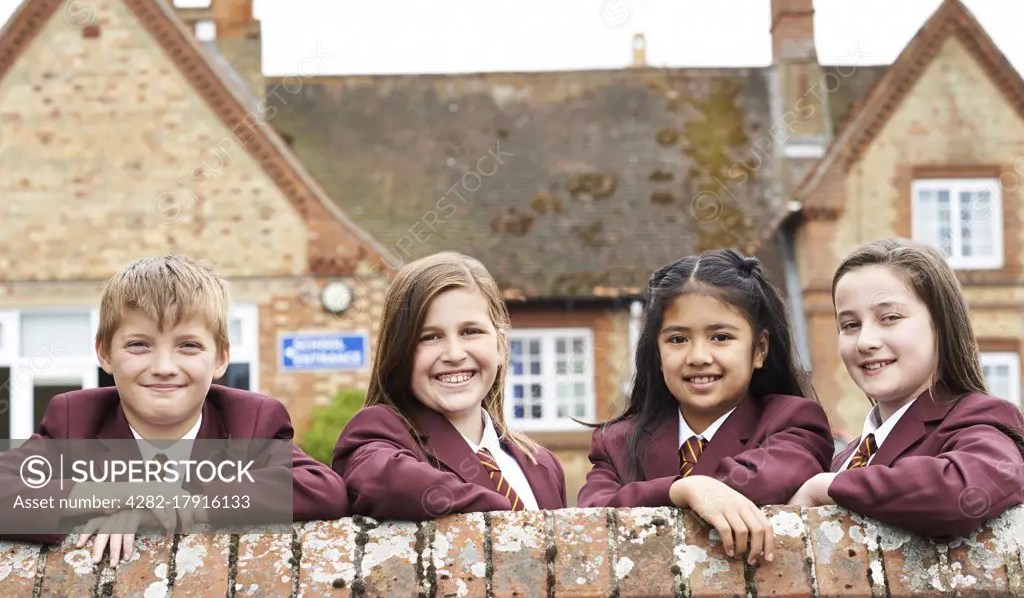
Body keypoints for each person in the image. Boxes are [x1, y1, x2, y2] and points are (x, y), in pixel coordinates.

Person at [0, 255, 349, 564]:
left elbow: (322, 489)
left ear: (222, 357)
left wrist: (182, 504)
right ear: (104, 353)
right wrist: (122, 493)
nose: (164, 366)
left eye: (189, 346)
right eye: (139, 345)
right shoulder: (75, 420)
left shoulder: (251, 420)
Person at [577, 249, 834, 564]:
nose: (698, 356)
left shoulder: (792, 421)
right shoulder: (616, 441)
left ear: (759, 349)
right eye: (678, 340)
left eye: (721, 337)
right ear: (657, 354)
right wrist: (682, 490)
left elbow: (765, 481)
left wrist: (697, 488)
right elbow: (590, 520)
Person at [788, 238, 1024, 540]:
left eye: (890, 318)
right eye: (849, 325)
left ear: (941, 325)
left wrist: (826, 487)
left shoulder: (981, 419)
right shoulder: (844, 458)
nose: (865, 341)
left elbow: (963, 491)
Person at [333, 252, 567, 520]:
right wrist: (512, 519)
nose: (454, 354)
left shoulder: (542, 465)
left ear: (501, 346)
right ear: (399, 354)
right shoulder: (379, 432)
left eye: (470, 332)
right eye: (430, 337)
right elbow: (383, 482)